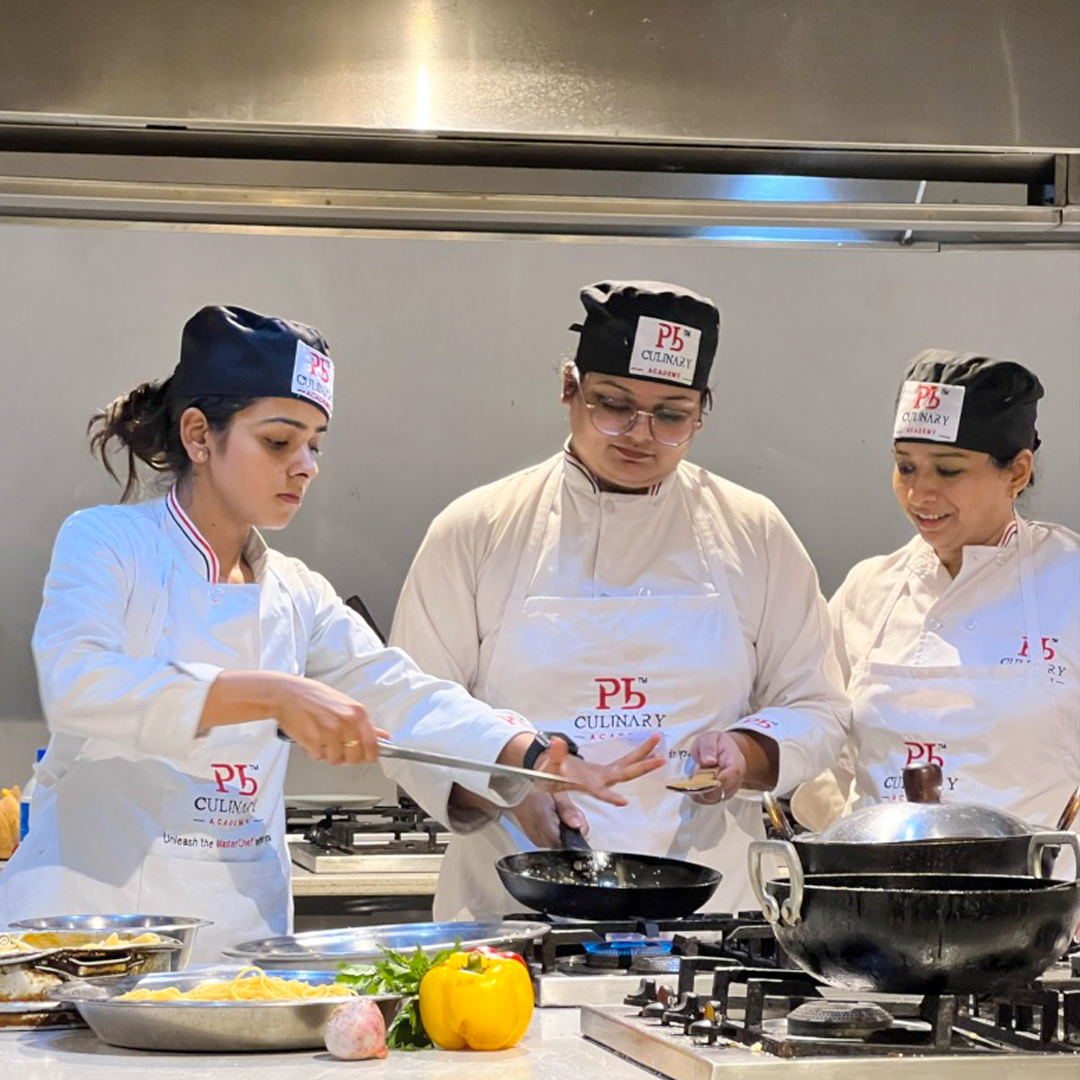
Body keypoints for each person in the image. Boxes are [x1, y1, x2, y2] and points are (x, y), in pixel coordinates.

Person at [0, 305, 660, 960]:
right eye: (279, 442)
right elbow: (79, 685)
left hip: (236, 949)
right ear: (199, 434)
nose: (307, 465)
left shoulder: (297, 593)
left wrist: (533, 754)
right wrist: (271, 694)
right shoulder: (108, 541)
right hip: (83, 942)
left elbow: (401, 694)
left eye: (315, 443)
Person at [389, 280, 849, 919]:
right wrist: (508, 787)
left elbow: (818, 705)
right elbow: (411, 711)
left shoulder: (754, 532)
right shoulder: (477, 530)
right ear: (569, 388)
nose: (639, 434)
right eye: (613, 404)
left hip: (707, 915)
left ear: (701, 412)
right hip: (511, 908)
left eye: (672, 415)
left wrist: (746, 753)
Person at [826, 350, 1078, 828]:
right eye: (905, 467)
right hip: (878, 871)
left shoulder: (1070, 582)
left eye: (948, 470)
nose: (919, 494)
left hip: (1039, 872)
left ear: (1017, 472)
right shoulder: (869, 589)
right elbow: (821, 734)